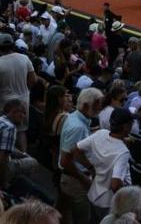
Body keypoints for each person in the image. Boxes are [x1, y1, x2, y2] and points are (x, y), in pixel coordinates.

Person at [71, 108, 134, 221]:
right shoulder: (123, 152)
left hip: (93, 194)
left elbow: (75, 150)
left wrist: (90, 168)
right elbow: (115, 185)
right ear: (125, 127)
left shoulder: (100, 133)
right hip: (109, 203)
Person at [57, 87, 102, 224]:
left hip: (71, 178)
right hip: (75, 180)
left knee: (65, 213)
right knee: (82, 218)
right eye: (97, 105)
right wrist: (85, 178)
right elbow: (66, 161)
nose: (100, 108)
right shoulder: (77, 127)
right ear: (87, 105)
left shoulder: (75, 117)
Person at [0, 34, 36, 151]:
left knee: (3, 132)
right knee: (21, 131)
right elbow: (33, 80)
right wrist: (25, 91)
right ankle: (24, 156)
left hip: (4, 102)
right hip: (23, 99)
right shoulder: (24, 58)